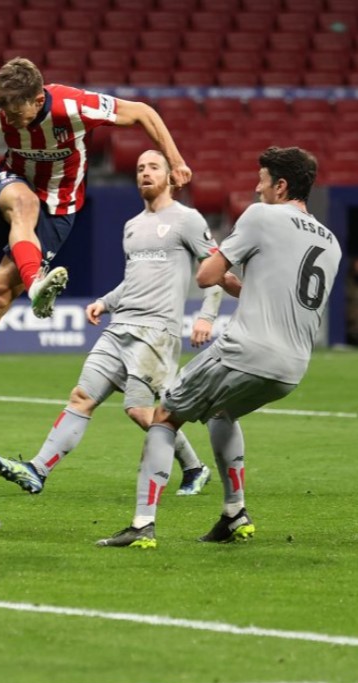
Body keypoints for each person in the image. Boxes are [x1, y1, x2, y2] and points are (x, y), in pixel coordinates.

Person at [0, 57, 193, 428]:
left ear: (37, 100)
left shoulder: (74, 107)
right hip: (13, 180)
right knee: (23, 204)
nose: (11, 123)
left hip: (61, 207)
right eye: (7, 116)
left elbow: (144, 112)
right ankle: (37, 286)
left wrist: (175, 160)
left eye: (19, 115)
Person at [96, 146, 341, 549]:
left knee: (163, 417)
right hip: (293, 367)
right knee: (221, 414)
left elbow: (208, 274)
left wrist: (220, 270)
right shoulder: (331, 243)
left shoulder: (262, 215)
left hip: (246, 349)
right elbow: (279, 296)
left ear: (280, 186)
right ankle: (234, 513)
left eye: (262, 181)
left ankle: (142, 525)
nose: (256, 188)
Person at [0, 150, 221, 497]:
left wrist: (205, 316)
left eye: (154, 167)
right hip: (120, 327)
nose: (145, 173)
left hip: (155, 332)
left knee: (141, 411)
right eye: (140, 167)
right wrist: (105, 302)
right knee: (82, 396)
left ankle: (194, 467)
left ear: (171, 177)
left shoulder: (188, 220)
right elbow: (134, 279)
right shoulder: (132, 226)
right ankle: (37, 469)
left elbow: (217, 268)